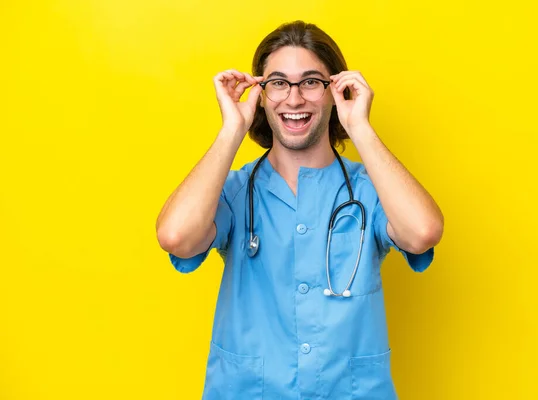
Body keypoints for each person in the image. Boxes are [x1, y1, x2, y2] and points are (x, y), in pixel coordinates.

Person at [156, 20, 444, 400]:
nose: (294, 99)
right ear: (260, 93)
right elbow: (176, 238)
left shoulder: (369, 190)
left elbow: (423, 231)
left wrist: (359, 126)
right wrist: (232, 130)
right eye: (278, 83)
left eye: (311, 82)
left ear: (335, 90)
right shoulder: (234, 191)